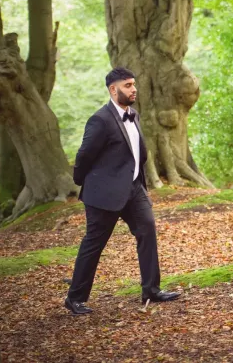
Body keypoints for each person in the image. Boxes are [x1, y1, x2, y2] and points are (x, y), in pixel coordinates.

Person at [64, 67, 180, 315]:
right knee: (94, 244)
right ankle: (75, 298)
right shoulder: (100, 120)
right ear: (113, 89)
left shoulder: (134, 115)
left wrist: (139, 182)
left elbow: (137, 152)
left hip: (134, 189)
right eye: (127, 85)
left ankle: (151, 289)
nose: (133, 88)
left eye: (134, 84)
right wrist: (86, 183)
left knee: (147, 231)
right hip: (103, 195)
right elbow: (83, 157)